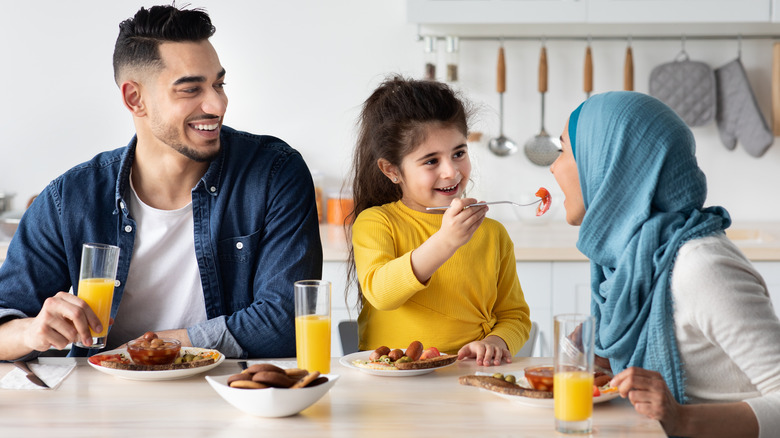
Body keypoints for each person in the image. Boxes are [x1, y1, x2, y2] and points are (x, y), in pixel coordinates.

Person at [0, 4, 322, 361]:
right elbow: (5, 319)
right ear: (135, 99)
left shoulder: (274, 173)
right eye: (190, 90)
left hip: (231, 397)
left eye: (219, 83)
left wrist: (152, 349)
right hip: (102, 405)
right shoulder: (71, 198)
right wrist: (31, 331)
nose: (217, 104)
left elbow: (287, 321)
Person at [550, 91, 780, 437]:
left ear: (610, 162)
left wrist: (681, 418)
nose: (553, 167)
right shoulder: (630, 261)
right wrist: (601, 355)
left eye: (564, 151)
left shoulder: (701, 266)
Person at [346, 76, 531, 366]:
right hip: (391, 384)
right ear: (392, 170)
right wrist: (446, 242)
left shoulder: (492, 233)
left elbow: (514, 315)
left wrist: (496, 341)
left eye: (459, 153)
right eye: (431, 161)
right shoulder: (377, 222)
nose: (451, 171)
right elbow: (381, 293)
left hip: (468, 377)